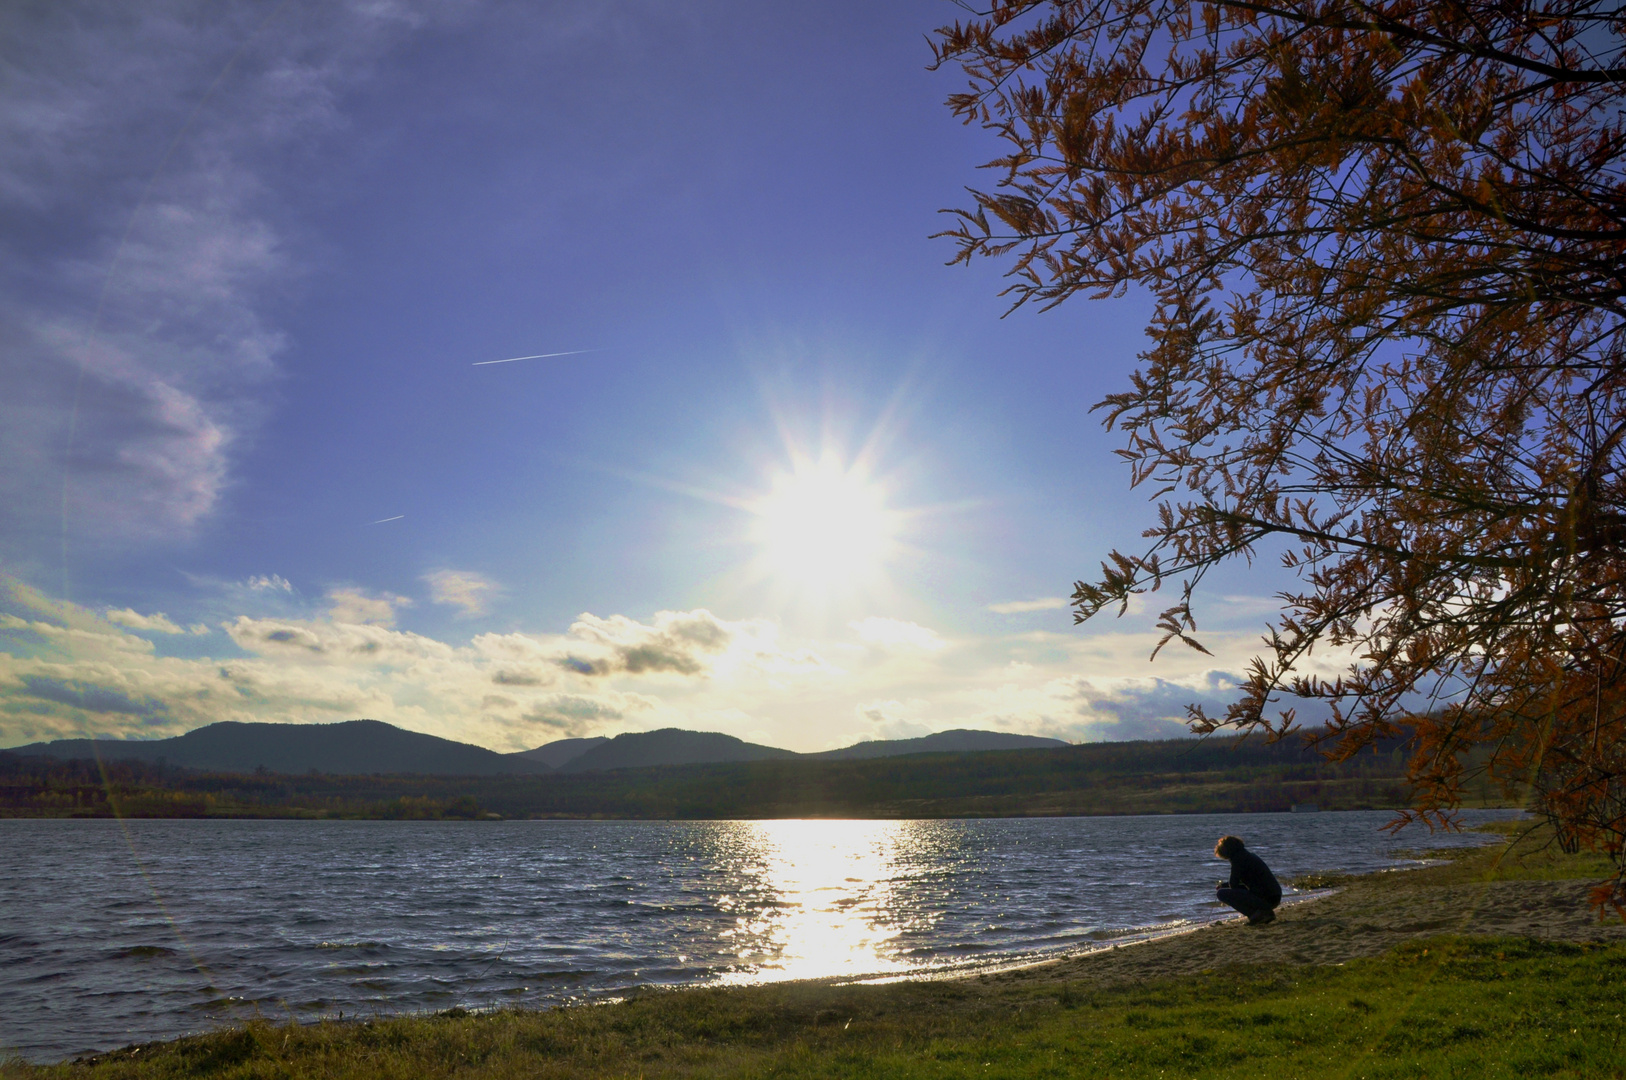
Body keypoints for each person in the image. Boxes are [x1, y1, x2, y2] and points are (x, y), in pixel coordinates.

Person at [1214, 835, 1282, 925]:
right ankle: (1263, 913)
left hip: (1266, 899)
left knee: (1221, 894)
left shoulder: (1237, 860)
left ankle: (1256, 915)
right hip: (1274, 896)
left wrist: (1225, 887)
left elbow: (1234, 885)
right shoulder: (1248, 856)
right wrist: (1224, 885)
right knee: (1234, 891)